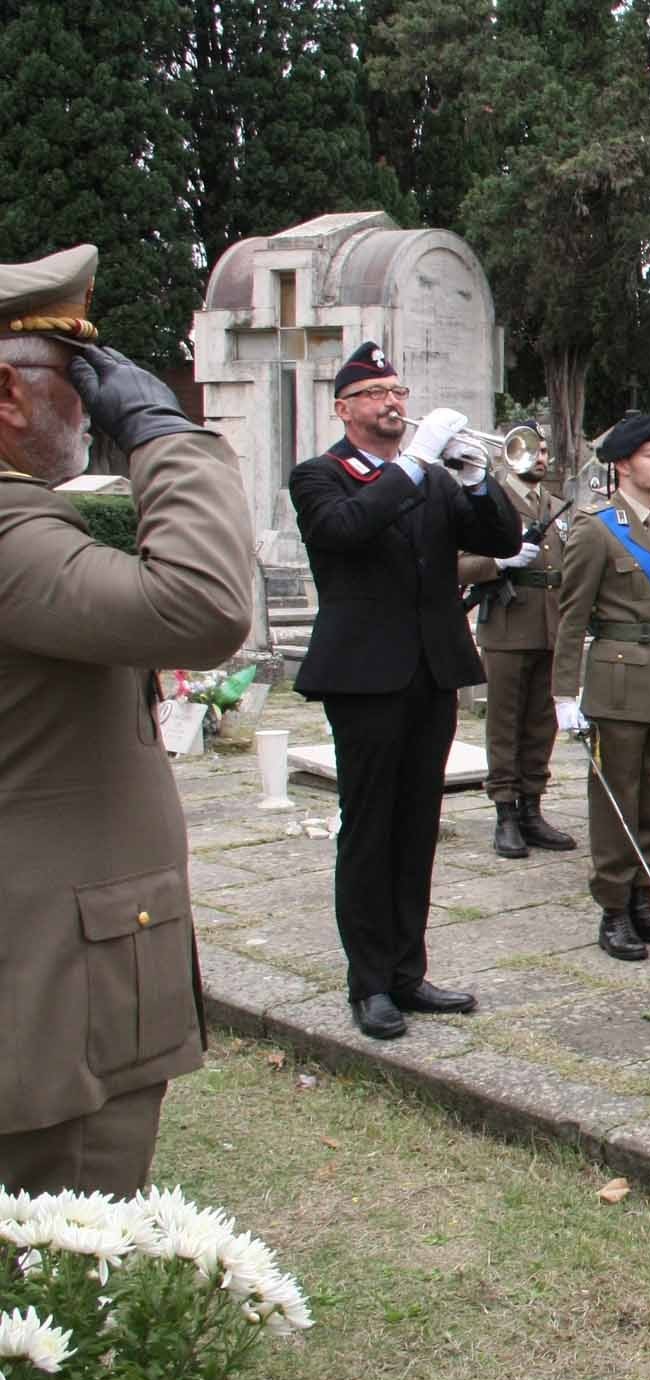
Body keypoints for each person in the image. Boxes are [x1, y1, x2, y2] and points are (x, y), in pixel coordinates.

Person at [0, 245, 254, 1194]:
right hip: (56, 986)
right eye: (80, 381)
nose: (93, 407)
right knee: (61, 1258)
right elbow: (202, 604)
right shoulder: (10, 539)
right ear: (7, 394)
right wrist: (168, 436)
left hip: (68, 957)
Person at [291, 341, 521, 1040]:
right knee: (370, 830)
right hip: (363, 676)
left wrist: (479, 482)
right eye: (376, 393)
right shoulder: (320, 476)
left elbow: (503, 537)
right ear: (344, 408)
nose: (393, 402)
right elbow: (347, 530)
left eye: (399, 390)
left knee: (418, 825)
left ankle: (407, 970)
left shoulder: (433, 478)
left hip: (431, 671)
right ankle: (368, 983)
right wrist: (417, 462)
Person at [553, 414, 650, 959]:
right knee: (618, 796)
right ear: (622, 464)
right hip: (617, 679)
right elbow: (571, 617)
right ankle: (614, 907)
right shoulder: (596, 526)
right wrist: (564, 695)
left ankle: (645, 897)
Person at [456, 429, 580, 860]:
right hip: (509, 625)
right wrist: (498, 562)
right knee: (505, 723)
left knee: (541, 722)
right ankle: (505, 811)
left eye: (546, 449)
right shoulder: (492, 501)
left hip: (551, 624)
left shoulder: (555, 505)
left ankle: (532, 807)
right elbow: (458, 565)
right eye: (533, 450)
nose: (541, 457)